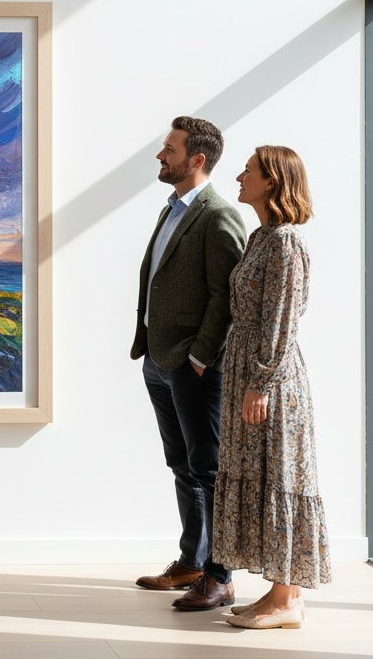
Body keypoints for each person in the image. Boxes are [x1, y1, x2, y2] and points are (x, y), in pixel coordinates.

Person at [131, 116, 246, 611]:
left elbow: (227, 295)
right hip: (158, 358)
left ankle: (220, 576)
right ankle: (192, 562)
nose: (161, 155)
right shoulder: (172, 209)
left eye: (169, 149)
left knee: (209, 468)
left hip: (191, 364)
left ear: (196, 159)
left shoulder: (218, 215)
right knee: (182, 465)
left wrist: (201, 355)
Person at [214, 145, 330, 630]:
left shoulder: (285, 242)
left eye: (250, 171)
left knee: (279, 473)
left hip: (271, 378)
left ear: (273, 182)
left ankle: (288, 600)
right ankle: (278, 594)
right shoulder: (261, 236)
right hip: (248, 367)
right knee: (258, 473)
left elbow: (282, 321)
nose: (240, 176)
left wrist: (261, 381)